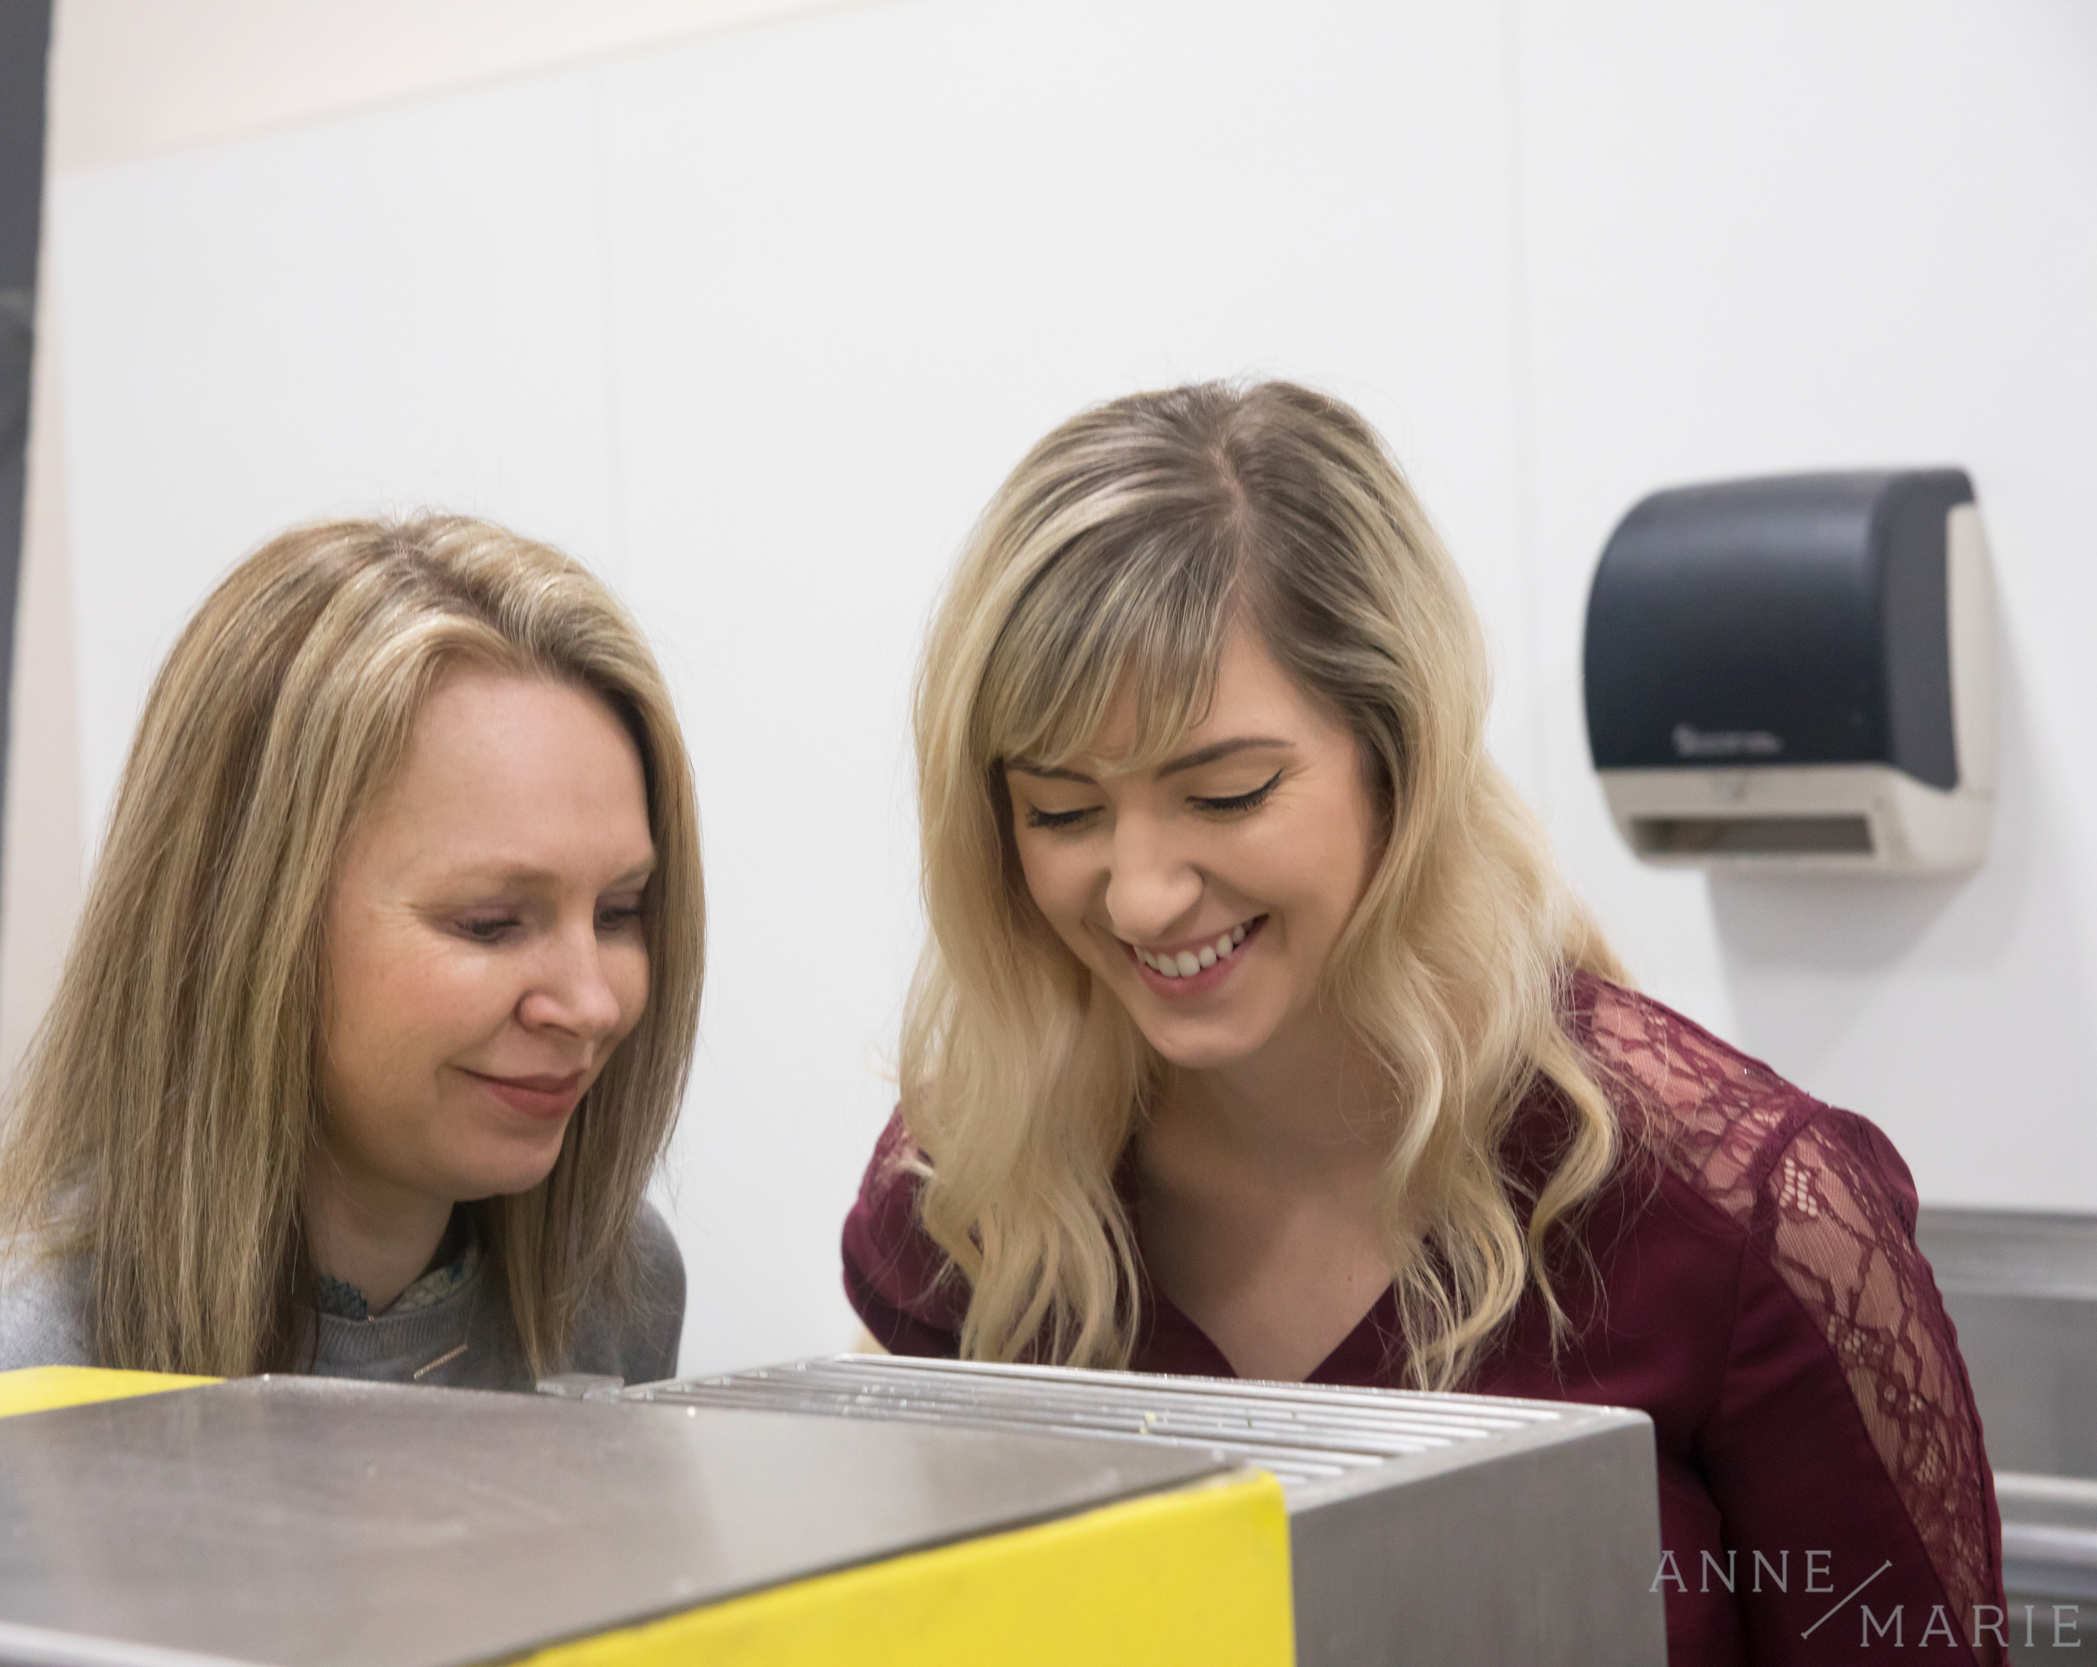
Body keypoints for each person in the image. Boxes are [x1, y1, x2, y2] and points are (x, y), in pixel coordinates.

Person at [842, 382, 2006, 1666]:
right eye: (1061, 812)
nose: (1140, 891)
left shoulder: (1746, 1222)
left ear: (1399, 754)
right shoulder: (974, 1195)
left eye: (1225, 793)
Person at [0, 515, 702, 1396]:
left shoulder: (612, 1288)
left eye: (619, 912)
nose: (592, 1003)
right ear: (247, 920)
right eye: (490, 923)